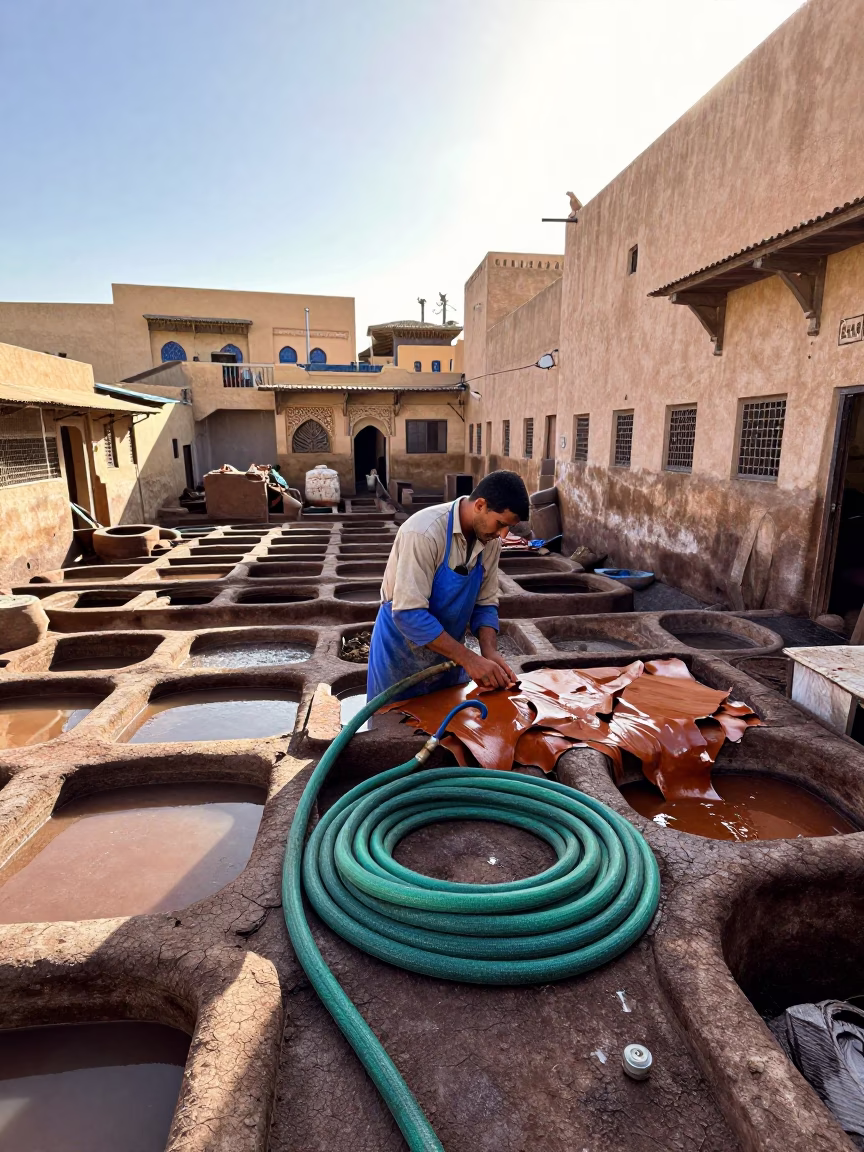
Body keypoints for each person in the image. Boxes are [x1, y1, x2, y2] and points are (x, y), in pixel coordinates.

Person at [367, 470, 530, 701]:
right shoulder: (423, 532)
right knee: (395, 720)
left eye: (508, 528)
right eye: (500, 524)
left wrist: (489, 651)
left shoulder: (490, 541)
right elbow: (408, 613)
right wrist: (469, 659)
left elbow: (485, 603)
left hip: (449, 655)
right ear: (480, 505)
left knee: (449, 719)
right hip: (399, 657)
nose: (502, 535)